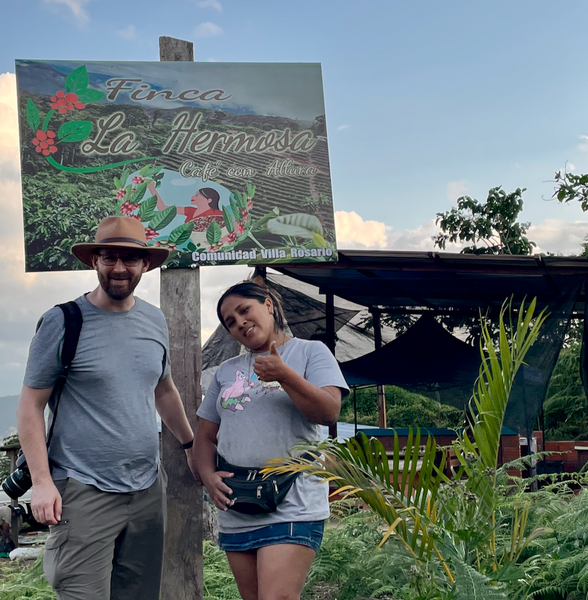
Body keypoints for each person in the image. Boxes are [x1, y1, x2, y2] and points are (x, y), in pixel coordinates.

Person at [18, 215, 198, 600]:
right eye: (109, 257)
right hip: (83, 491)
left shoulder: (155, 319)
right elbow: (31, 405)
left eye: (129, 259)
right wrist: (42, 482)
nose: (119, 268)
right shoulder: (63, 321)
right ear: (94, 262)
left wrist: (189, 445)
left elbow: (163, 390)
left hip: (147, 488)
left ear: (145, 264)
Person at [196, 281, 348, 600]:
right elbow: (205, 435)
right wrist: (208, 477)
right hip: (238, 504)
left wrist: (284, 374)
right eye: (230, 322)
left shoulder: (309, 352)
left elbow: (329, 412)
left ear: (268, 305)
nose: (239, 323)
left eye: (244, 310)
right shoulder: (226, 371)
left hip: (294, 499)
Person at [148, 179, 224, 229]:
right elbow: (162, 208)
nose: (192, 196)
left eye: (197, 195)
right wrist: (151, 188)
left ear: (209, 200)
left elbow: (234, 225)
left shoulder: (218, 214)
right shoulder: (190, 210)